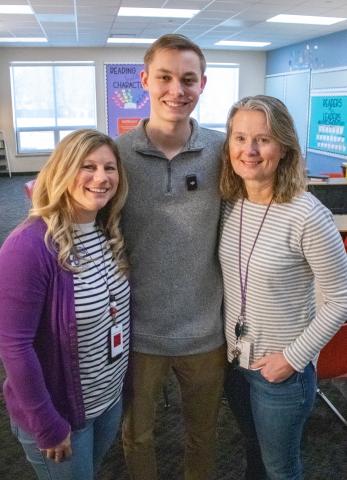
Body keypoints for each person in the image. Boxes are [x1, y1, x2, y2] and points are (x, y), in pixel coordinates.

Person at [219, 95, 347, 480]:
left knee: (281, 468)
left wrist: (294, 358)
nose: (250, 150)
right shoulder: (230, 202)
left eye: (263, 139)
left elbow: (342, 298)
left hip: (281, 374)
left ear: (284, 146)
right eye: (240, 138)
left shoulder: (307, 214)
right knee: (254, 454)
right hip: (234, 365)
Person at [116, 34, 226, 480]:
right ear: (145, 80)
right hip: (138, 332)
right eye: (164, 77)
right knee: (137, 437)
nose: (176, 90)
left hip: (206, 331)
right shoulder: (114, 157)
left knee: (203, 436)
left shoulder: (224, 151)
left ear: (203, 85)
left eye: (188, 79)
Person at [0, 129, 130, 480]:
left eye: (110, 168)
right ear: (62, 171)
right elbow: (14, 347)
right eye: (87, 166)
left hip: (107, 401)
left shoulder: (108, 232)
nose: (101, 178)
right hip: (61, 414)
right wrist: (46, 423)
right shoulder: (29, 246)